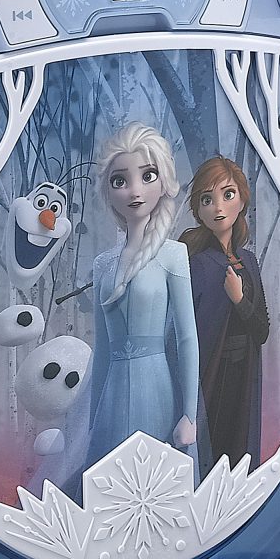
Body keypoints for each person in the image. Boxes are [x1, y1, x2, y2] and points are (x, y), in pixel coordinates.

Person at [83, 123, 201, 475]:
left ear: (164, 181)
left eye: (148, 176)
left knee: (157, 480)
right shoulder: (103, 264)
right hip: (112, 396)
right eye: (120, 180)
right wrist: (93, 417)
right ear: (108, 190)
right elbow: (102, 349)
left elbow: (187, 338)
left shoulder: (173, 255)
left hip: (158, 389)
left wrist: (189, 414)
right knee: (110, 482)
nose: (135, 191)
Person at [180, 156, 269, 474]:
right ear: (198, 209)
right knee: (209, 451)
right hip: (210, 378)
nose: (218, 207)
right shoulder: (197, 263)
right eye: (207, 199)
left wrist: (239, 299)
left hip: (244, 375)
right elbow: (185, 329)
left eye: (228, 194)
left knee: (239, 451)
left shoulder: (249, 261)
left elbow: (262, 330)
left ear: (242, 199)